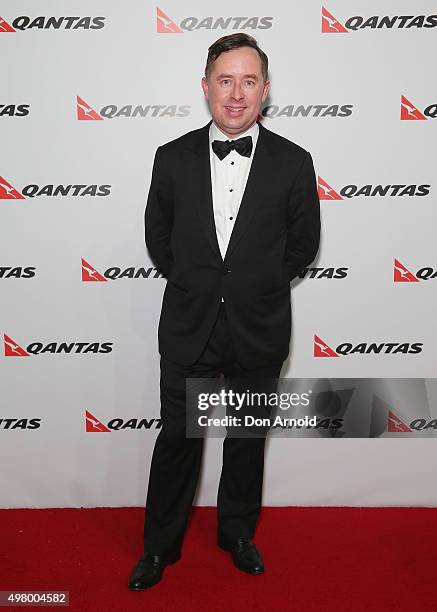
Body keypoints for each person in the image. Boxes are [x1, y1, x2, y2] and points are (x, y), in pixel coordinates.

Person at [129, 32, 320, 590]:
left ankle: (237, 532)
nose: (236, 94)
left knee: (245, 439)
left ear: (265, 90)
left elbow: (301, 246)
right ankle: (159, 548)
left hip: (257, 326)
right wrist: (201, 285)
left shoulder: (294, 162)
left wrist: (250, 289)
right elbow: (159, 240)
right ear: (206, 86)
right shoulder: (172, 157)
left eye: (249, 81)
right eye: (225, 80)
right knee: (177, 440)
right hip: (189, 326)